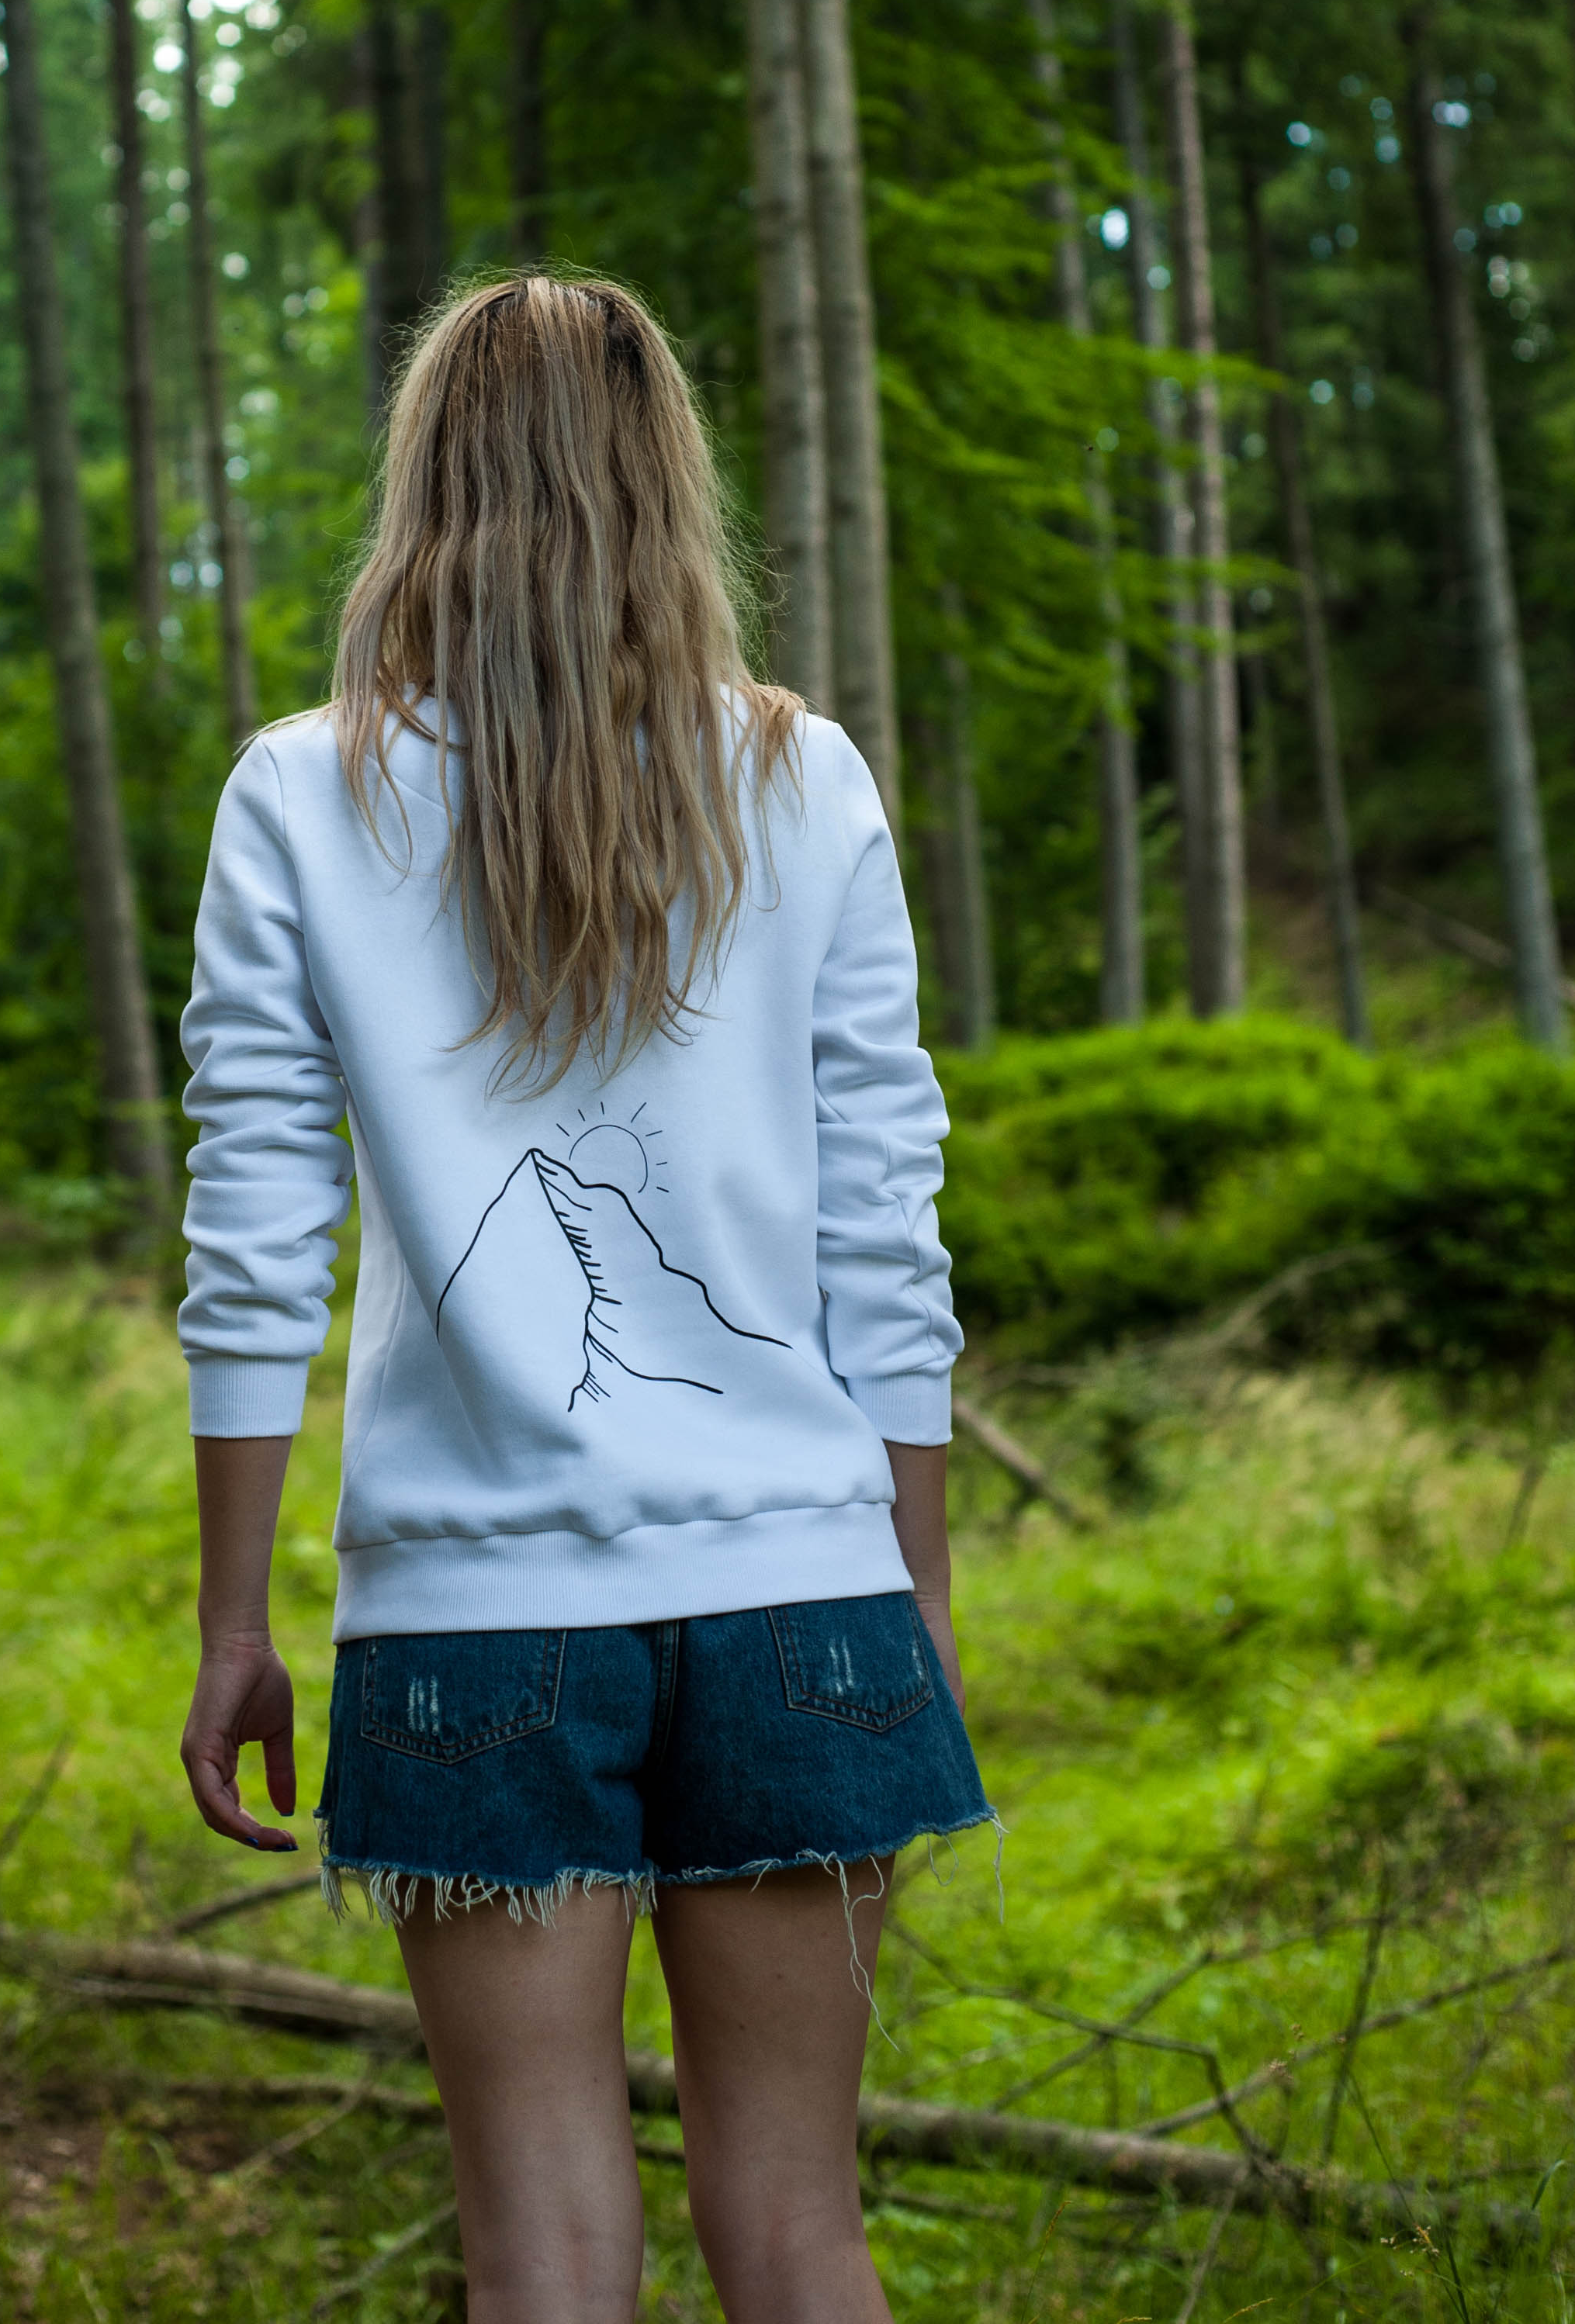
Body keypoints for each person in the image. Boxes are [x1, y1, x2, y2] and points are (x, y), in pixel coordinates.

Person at [176, 275, 990, 2324]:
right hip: (805, 1602)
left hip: (473, 1631)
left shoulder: (304, 795)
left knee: (540, 2253)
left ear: (427, 483)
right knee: (802, 2234)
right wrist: (918, 1588)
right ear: (664, 478)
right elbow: (889, 1226)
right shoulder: (802, 783)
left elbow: (255, 1230)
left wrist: (234, 1620)